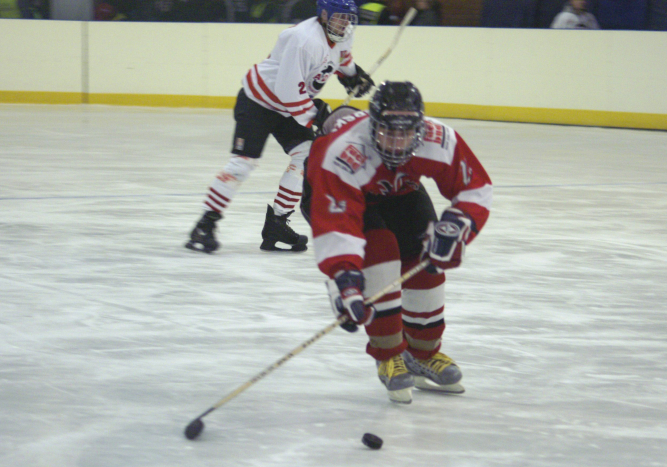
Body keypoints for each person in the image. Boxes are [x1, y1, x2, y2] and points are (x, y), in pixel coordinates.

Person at [302, 82, 492, 404]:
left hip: (398, 190)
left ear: (420, 128)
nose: (396, 142)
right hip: (337, 196)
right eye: (387, 132)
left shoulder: (438, 139)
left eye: (405, 133)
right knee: (380, 253)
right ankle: (389, 354)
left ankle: (423, 353)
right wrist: (345, 277)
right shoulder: (342, 152)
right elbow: (338, 224)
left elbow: (475, 187)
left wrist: (459, 225)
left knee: (426, 255)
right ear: (372, 125)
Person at [185, 0, 374, 254]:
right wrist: (316, 115)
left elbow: (341, 56)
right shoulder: (303, 40)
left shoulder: (340, 33)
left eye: (349, 18)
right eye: (340, 17)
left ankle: (277, 223)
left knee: (306, 156)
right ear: (324, 14)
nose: (345, 23)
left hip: (289, 107)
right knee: (243, 163)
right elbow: (288, 90)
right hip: (258, 102)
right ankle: (205, 225)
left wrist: (352, 75)